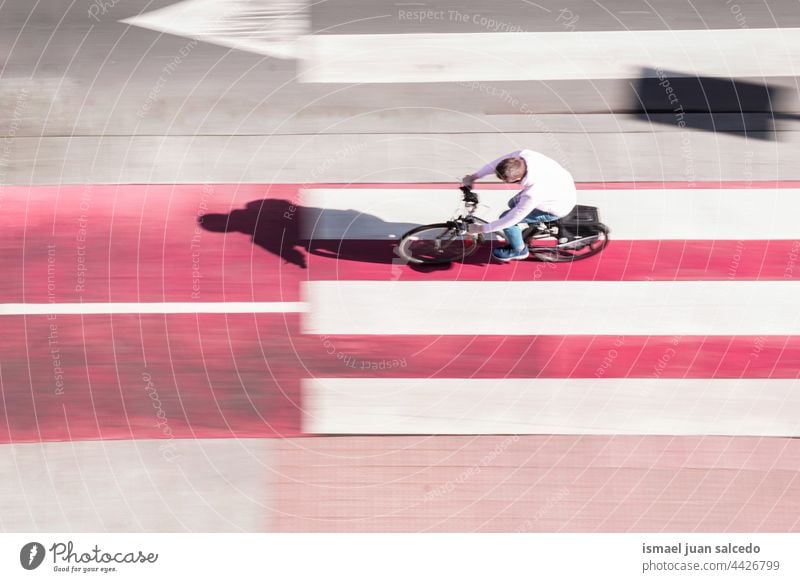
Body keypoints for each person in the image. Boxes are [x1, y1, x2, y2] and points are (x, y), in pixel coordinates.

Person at [462, 149, 577, 261]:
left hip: (558, 206)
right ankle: (529, 229)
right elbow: (496, 163)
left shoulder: (533, 193)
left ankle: (519, 250)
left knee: (506, 219)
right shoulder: (524, 155)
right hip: (560, 185)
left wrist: (480, 228)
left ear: (517, 178)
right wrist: (473, 177)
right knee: (512, 203)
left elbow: (510, 220)